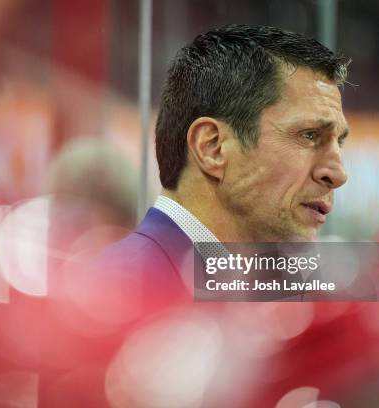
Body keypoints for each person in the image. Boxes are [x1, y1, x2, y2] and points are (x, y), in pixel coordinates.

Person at [95, 24, 350, 298]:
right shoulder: (112, 295)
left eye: (340, 141)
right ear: (212, 148)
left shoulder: (264, 293)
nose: (338, 173)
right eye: (310, 135)